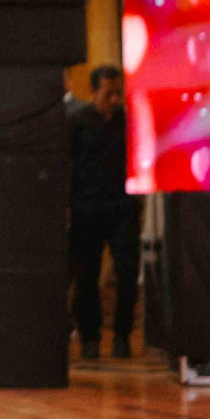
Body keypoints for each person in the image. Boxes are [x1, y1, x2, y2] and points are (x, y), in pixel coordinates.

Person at [67, 63, 140, 361]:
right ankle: (90, 339)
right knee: (87, 276)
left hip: (122, 208)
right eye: (108, 93)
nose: (114, 100)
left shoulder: (127, 121)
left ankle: (122, 336)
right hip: (87, 208)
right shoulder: (77, 122)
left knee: (127, 271)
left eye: (118, 93)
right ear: (94, 91)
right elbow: (68, 165)